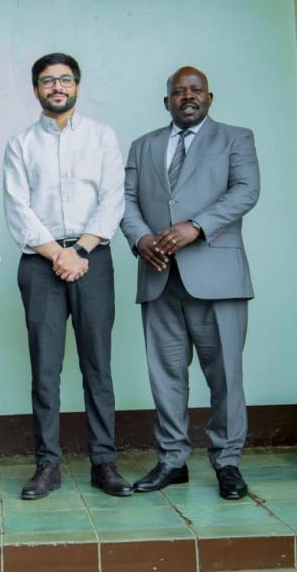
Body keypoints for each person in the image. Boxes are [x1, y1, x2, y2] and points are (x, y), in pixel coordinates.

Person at [120, 66, 260, 499]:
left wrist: (196, 226)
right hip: (160, 277)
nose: (187, 96)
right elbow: (124, 199)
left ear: (210, 97)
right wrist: (141, 237)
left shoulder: (236, 138)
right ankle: (172, 460)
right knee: (165, 375)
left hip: (218, 278)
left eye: (195, 90)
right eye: (178, 91)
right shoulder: (144, 146)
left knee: (225, 376)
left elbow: (246, 190)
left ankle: (227, 462)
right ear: (167, 102)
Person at [3, 53, 132, 500]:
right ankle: (47, 465)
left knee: (98, 365)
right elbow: (17, 210)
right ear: (36, 88)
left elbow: (114, 199)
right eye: (47, 81)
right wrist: (59, 253)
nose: (56, 87)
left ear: (77, 84)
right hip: (40, 263)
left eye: (64, 79)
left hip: (92, 257)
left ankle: (104, 462)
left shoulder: (102, 137)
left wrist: (79, 251)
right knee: (45, 369)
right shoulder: (20, 144)